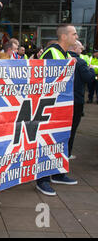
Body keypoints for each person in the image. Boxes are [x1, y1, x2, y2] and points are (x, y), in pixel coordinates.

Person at [36, 24, 79, 196]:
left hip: (61, 108)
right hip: (49, 107)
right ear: (64, 36)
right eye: (74, 34)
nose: (76, 36)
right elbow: (38, 77)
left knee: (59, 141)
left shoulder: (66, 54)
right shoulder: (51, 53)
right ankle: (42, 180)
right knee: (46, 143)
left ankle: (57, 173)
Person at [67, 40, 95, 160]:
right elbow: (89, 78)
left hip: (65, 99)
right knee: (72, 128)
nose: (82, 49)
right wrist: (91, 69)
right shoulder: (81, 62)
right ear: (74, 48)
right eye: (80, 47)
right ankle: (67, 153)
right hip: (77, 99)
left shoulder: (64, 59)